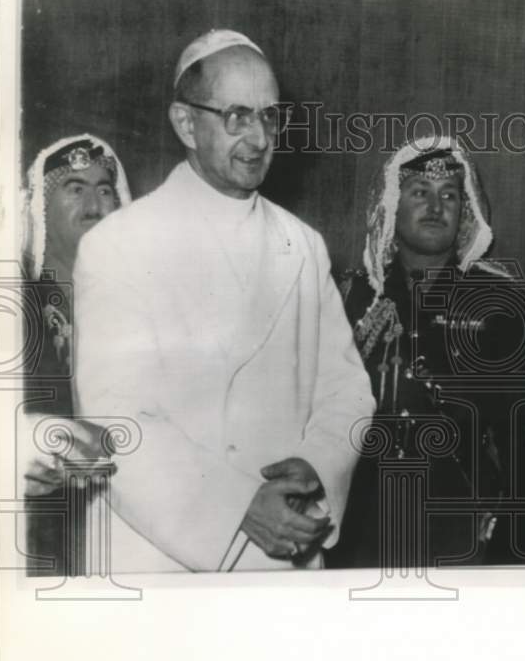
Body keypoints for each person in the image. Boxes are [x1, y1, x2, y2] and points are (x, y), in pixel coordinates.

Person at [73, 30, 374, 572]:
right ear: (186, 123)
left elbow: (346, 388)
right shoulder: (118, 245)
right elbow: (116, 421)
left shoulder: (302, 244)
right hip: (161, 555)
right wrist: (236, 506)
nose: (258, 138)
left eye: (269, 115)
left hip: (284, 554)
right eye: (236, 115)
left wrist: (317, 463)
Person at [334, 136, 523, 568]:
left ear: (466, 211)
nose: (436, 208)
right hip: (361, 516)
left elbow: (520, 432)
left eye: (450, 196)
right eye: (420, 192)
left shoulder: (499, 301)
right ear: (391, 205)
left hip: (458, 516)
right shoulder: (350, 295)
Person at [19, 134, 131, 575]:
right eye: (75, 188)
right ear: (41, 210)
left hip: (127, 518)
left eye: (106, 189)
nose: (94, 202)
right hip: (41, 524)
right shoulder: (15, 304)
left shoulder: (144, 304)